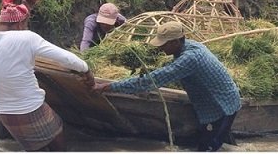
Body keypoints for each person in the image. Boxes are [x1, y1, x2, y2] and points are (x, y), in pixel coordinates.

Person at [92, 21, 241, 152]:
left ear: (175, 42)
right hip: (214, 101)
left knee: (208, 147)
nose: (161, 47)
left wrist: (108, 87)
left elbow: (149, 82)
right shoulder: (190, 46)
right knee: (209, 141)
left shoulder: (189, 59)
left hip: (221, 106)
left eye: (164, 44)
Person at [0, 0, 94, 151]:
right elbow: (67, 58)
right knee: (58, 136)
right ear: (21, 23)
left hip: (3, 112)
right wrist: (86, 70)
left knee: (34, 147)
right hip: (30, 108)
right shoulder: (27, 38)